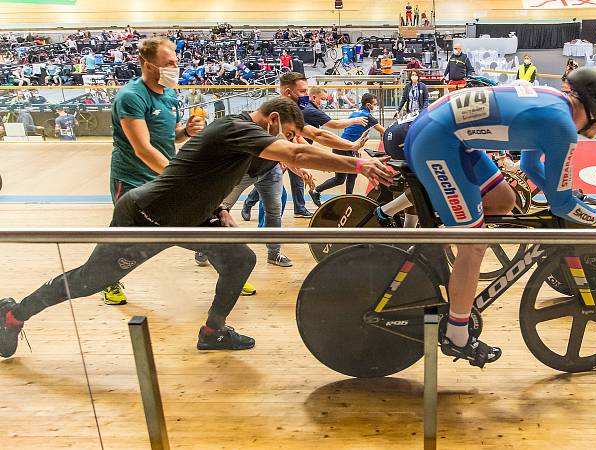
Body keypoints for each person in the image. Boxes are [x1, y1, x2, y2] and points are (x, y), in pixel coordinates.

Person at [0, 96, 395, 360]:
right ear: (272, 120)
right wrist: (359, 164)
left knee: (239, 259)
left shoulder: (251, 147)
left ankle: (212, 332)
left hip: (187, 220)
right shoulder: (235, 127)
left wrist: (220, 209)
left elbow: (229, 174)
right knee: (90, 280)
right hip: (146, 217)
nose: (287, 140)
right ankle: (13, 317)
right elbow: (296, 151)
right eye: (286, 132)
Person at [404, 68, 596, 367]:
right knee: (474, 244)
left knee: (504, 200)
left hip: (447, 136)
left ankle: (454, 230)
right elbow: (562, 207)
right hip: (438, 143)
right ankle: (456, 335)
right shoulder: (562, 127)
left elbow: (529, 165)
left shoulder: (556, 104)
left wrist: (561, 194)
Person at [103, 37, 208, 305]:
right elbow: (143, 148)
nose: (176, 67)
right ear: (148, 65)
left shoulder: (170, 94)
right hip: (130, 179)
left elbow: (164, 137)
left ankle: (229, 264)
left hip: (161, 175)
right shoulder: (131, 97)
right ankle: (106, 280)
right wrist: (177, 177)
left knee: (192, 221)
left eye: (176, 61)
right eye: (169, 63)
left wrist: (185, 132)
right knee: (123, 236)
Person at [279, 72, 373, 217]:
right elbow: (322, 133)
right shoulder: (298, 109)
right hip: (260, 163)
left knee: (281, 194)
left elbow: (302, 140)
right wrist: (351, 147)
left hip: (279, 159)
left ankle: (299, 209)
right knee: (273, 194)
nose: (307, 95)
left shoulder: (297, 108)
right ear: (287, 92)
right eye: (303, 91)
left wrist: (322, 160)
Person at [309, 93, 386, 202]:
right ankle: (316, 191)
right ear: (368, 105)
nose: (376, 106)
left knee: (352, 174)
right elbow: (384, 132)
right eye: (375, 104)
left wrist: (355, 150)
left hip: (343, 146)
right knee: (341, 179)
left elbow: (352, 132)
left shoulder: (355, 113)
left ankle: (348, 198)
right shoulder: (368, 117)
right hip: (344, 147)